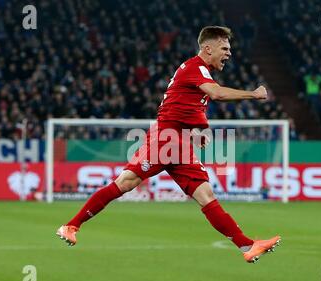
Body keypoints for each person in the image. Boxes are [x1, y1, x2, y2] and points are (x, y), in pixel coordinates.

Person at [56, 26, 281, 263]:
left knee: (206, 196)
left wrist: (198, 131)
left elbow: (187, 106)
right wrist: (254, 94)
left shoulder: (200, 73)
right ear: (207, 48)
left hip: (180, 142)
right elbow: (217, 94)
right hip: (166, 138)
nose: (229, 53)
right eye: (224, 48)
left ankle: (247, 245)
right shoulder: (195, 67)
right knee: (125, 182)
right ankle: (71, 226)